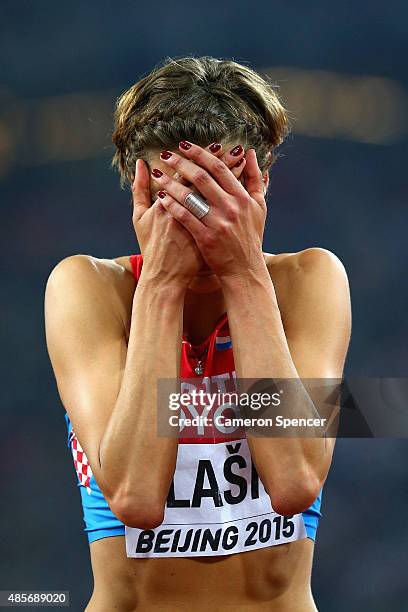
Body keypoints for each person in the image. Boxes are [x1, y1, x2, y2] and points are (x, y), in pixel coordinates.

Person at [44, 56, 351, 611]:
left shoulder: (310, 281)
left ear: (259, 179)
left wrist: (243, 273)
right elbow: (136, 498)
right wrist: (160, 284)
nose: (203, 213)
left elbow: (295, 482)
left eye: (220, 188)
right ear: (143, 182)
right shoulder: (87, 288)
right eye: (184, 191)